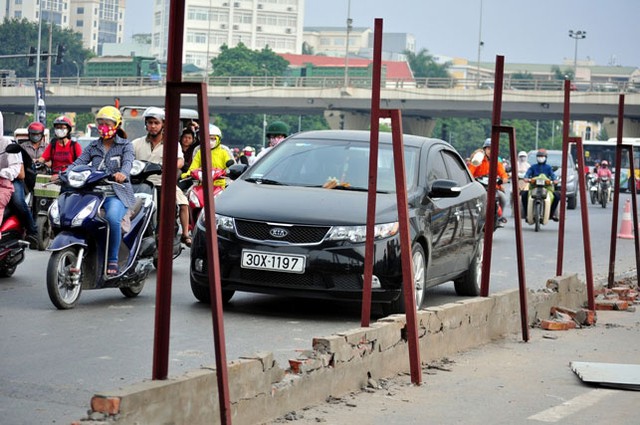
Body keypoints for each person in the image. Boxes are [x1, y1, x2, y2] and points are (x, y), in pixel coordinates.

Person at [65, 105, 136, 276]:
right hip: (93, 193)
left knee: (112, 218)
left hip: (116, 193)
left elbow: (128, 164)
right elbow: (78, 163)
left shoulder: (126, 145)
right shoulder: (92, 146)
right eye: (100, 123)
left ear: (117, 125)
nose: (103, 127)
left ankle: (112, 259)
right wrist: (65, 173)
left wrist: (122, 174)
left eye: (108, 123)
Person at [132, 107, 192, 247]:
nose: (152, 126)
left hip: (163, 185)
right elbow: (126, 159)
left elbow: (180, 161)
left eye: (156, 123)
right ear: (145, 124)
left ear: (163, 124)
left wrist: (170, 166)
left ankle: (185, 234)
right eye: (149, 122)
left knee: (183, 203)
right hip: (140, 186)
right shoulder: (136, 143)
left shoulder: (172, 143)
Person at [467, 138, 510, 225]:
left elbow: (504, 175)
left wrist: (502, 180)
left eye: (493, 148)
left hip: (494, 188)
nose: (491, 151)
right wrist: (473, 179)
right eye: (489, 148)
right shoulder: (478, 160)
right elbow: (470, 172)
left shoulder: (497, 162)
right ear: (485, 149)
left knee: (503, 199)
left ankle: (499, 218)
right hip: (479, 187)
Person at [181, 124, 232, 189]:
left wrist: (228, 172)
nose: (210, 141)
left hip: (221, 185)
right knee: (188, 194)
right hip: (201, 184)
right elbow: (194, 166)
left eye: (213, 139)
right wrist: (188, 173)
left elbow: (230, 166)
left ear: (218, 139)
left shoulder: (224, 151)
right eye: (207, 138)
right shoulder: (199, 151)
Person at [521, 149, 560, 221]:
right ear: (536, 157)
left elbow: (553, 175)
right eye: (539, 156)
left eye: (542, 156)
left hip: (547, 187)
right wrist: (526, 178)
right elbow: (527, 174)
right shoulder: (533, 167)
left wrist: (555, 180)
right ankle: (526, 214)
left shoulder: (548, 167)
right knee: (524, 195)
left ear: (545, 157)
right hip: (534, 186)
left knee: (557, 196)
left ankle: (552, 214)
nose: (541, 158)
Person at [0, 112, 18, 222]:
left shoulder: (7, 143)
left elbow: (15, 168)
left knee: (19, 203)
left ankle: (32, 231)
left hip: (3, 184)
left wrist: (2, 172)